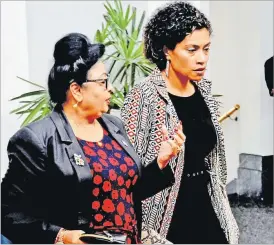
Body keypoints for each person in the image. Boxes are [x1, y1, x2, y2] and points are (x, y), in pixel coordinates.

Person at [1, 33, 185, 244]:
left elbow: (125, 191)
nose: (111, 88)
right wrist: (61, 236)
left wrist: (161, 161)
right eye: (103, 82)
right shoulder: (36, 139)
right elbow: (9, 214)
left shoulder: (114, 127)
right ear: (76, 90)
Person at [121, 2, 239, 244]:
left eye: (206, 49)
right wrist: (162, 160)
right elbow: (126, 174)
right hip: (164, 216)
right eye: (192, 49)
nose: (202, 59)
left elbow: (213, 159)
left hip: (207, 206)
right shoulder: (144, 96)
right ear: (167, 51)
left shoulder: (204, 91)